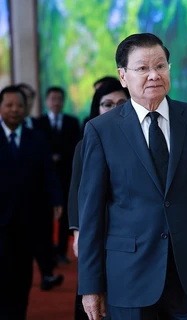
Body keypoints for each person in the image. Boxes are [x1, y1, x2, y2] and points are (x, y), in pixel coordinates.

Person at [77, 33, 187, 320]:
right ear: (123, 76)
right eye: (142, 68)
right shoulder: (102, 130)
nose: (153, 75)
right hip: (129, 276)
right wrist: (90, 286)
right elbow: (91, 215)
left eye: (160, 66)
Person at [68, 79, 129, 320]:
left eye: (121, 103)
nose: (114, 109)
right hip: (96, 230)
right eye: (107, 104)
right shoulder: (85, 145)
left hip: (127, 230)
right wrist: (78, 232)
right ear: (97, 109)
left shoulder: (143, 141)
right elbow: (76, 192)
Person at [0, 85, 62, 319]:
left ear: (26, 109)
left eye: (20, 105)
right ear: (1, 107)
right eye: (9, 105)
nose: (15, 110)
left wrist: (56, 199)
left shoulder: (36, 138)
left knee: (22, 274)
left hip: (29, 220)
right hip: (1, 220)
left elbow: (48, 172)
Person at [17, 82, 65, 291]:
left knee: (43, 237)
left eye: (28, 99)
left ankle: (47, 273)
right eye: (22, 99)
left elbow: (47, 169)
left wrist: (55, 198)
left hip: (38, 196)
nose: (25, 103)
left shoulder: (36, 130)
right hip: (11, 199)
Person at [37, 86, 81, 264]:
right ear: (47, 101)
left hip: (66, 176)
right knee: (45, 217)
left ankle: (62, 252)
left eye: (59, 99)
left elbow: (76, 147)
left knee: (65, 217)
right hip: (44, 179)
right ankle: (47, 254)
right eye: (52, 99)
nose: (56, 102)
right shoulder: (38, 122)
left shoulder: (72, 122)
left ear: (63, 102)